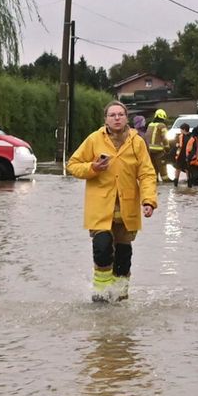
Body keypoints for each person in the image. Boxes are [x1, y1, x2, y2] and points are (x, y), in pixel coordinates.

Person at [66, 101, 158, 302]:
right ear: (105, 119)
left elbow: (147, 174)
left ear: (126, 118)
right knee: (102, 247)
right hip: (100, 208)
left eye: (120, 115)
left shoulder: (137, 142)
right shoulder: (94, 139)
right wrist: (93, 168)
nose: (116, 118)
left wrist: (149, 200)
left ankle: (120, 297)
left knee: (123, 257)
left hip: (127, 208)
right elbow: (73, 165)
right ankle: (100, 295)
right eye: (112, 115)